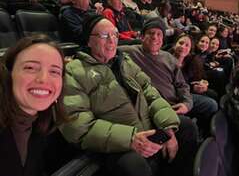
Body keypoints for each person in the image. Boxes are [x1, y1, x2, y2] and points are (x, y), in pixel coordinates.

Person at [60, 14, 198, 176]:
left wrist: (167, 127)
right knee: (133, 166)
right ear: (88, 40)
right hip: (116, 143)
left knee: (187, 127)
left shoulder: (124, 60)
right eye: (104, 35)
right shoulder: (73, 71)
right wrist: (130, 139)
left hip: (146, 127)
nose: (112, 41)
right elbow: (78, 126)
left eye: (115, 35)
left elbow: (150, 92)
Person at [119, 18, 217, 135]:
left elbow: (182, 85)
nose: (155, 37)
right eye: (150, 33)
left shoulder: (169, 58)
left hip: (177, 98)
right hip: (160, 105)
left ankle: (202, 137)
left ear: (162, 40)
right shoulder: (129, 52)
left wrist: (186, 103)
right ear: (142, 36)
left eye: (159, 34)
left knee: (211, 105)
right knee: (187, 126)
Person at [0, 34, 66, 176]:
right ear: (8, 74)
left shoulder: (44, 123)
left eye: (54, 71)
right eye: (30, 68)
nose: (43, 79)